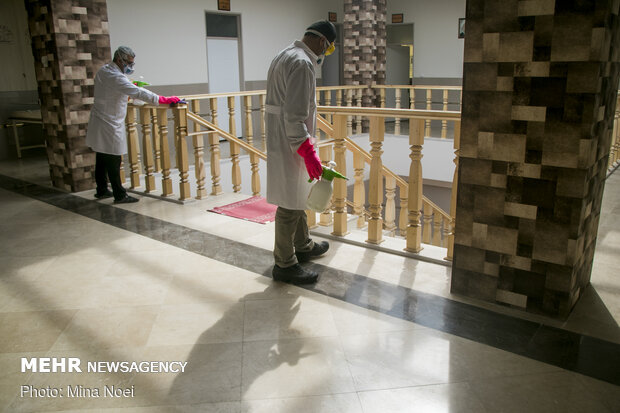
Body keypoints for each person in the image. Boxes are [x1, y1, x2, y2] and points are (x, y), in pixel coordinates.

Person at [265, 21, 337, 284]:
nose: (325, 54)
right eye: (328, 50)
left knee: (298, 195)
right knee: (289, 203)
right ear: (322, 42)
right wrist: (306, 150)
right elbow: (295, 115)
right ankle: (284, 263)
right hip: (291, 140)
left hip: (283, 138)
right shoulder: (303, 64)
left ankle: (303, 244)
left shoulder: (284, 55)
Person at [86, 46, 181, 204]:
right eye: (129, 63)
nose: (131, 66)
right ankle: (120, 194)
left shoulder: (104, 71)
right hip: (109, 122)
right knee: (114, 159)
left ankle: (102, 189)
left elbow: (114, 93)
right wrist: (162, 99)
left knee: (102, 156)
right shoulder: (115, 76)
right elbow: (138, 92)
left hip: (101, 119)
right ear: (119, 60)